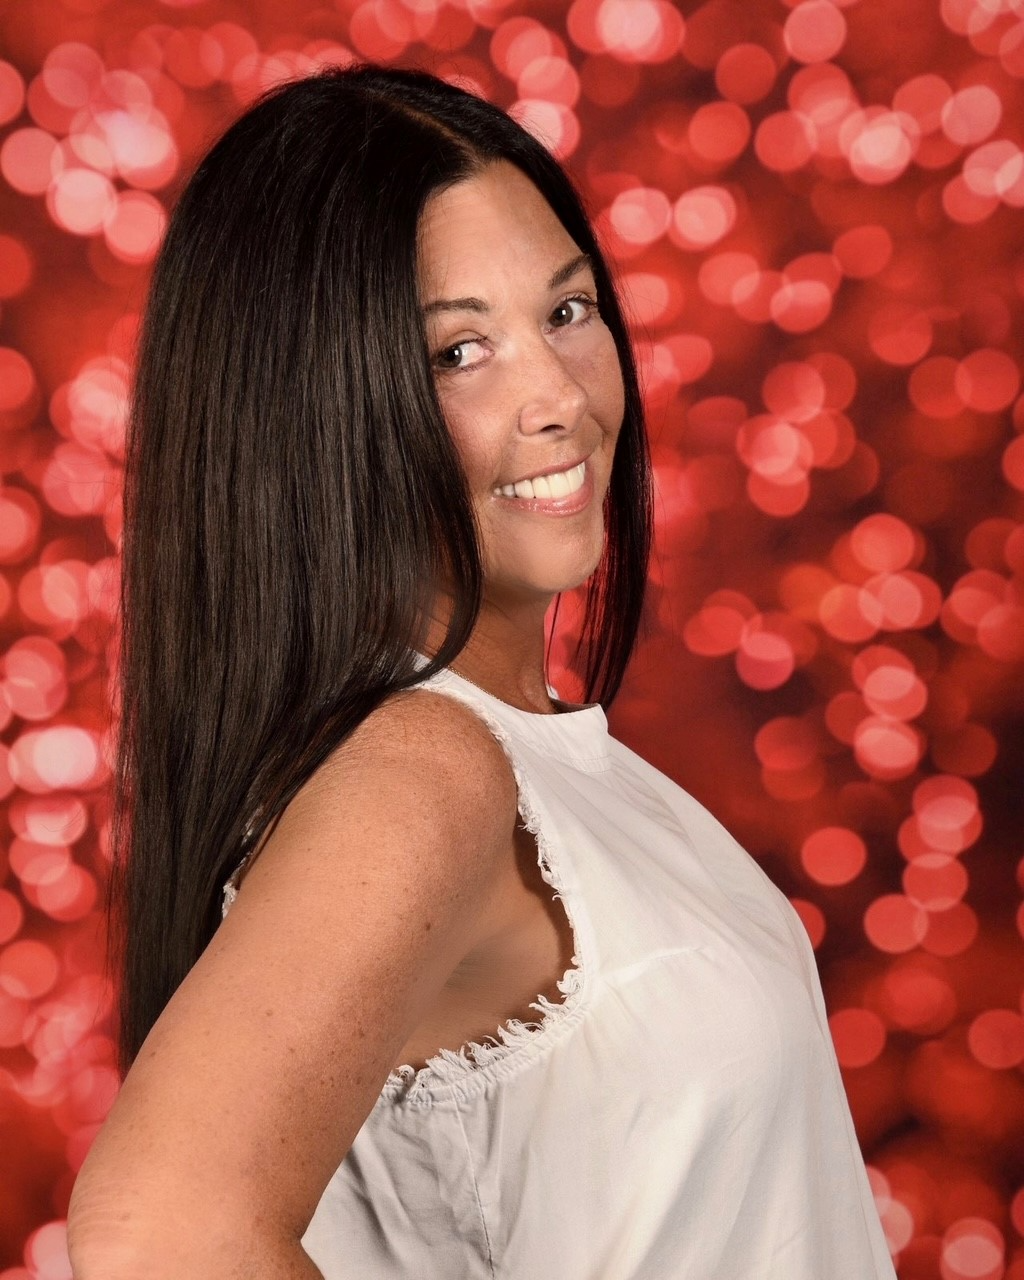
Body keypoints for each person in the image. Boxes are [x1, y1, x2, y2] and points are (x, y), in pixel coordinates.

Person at [67, 63, 896, 1279]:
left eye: (566, 310)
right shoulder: (427, 768)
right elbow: (158, 1234)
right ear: (310, 412)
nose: (558, 396)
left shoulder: (530, 756)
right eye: (459, 350)